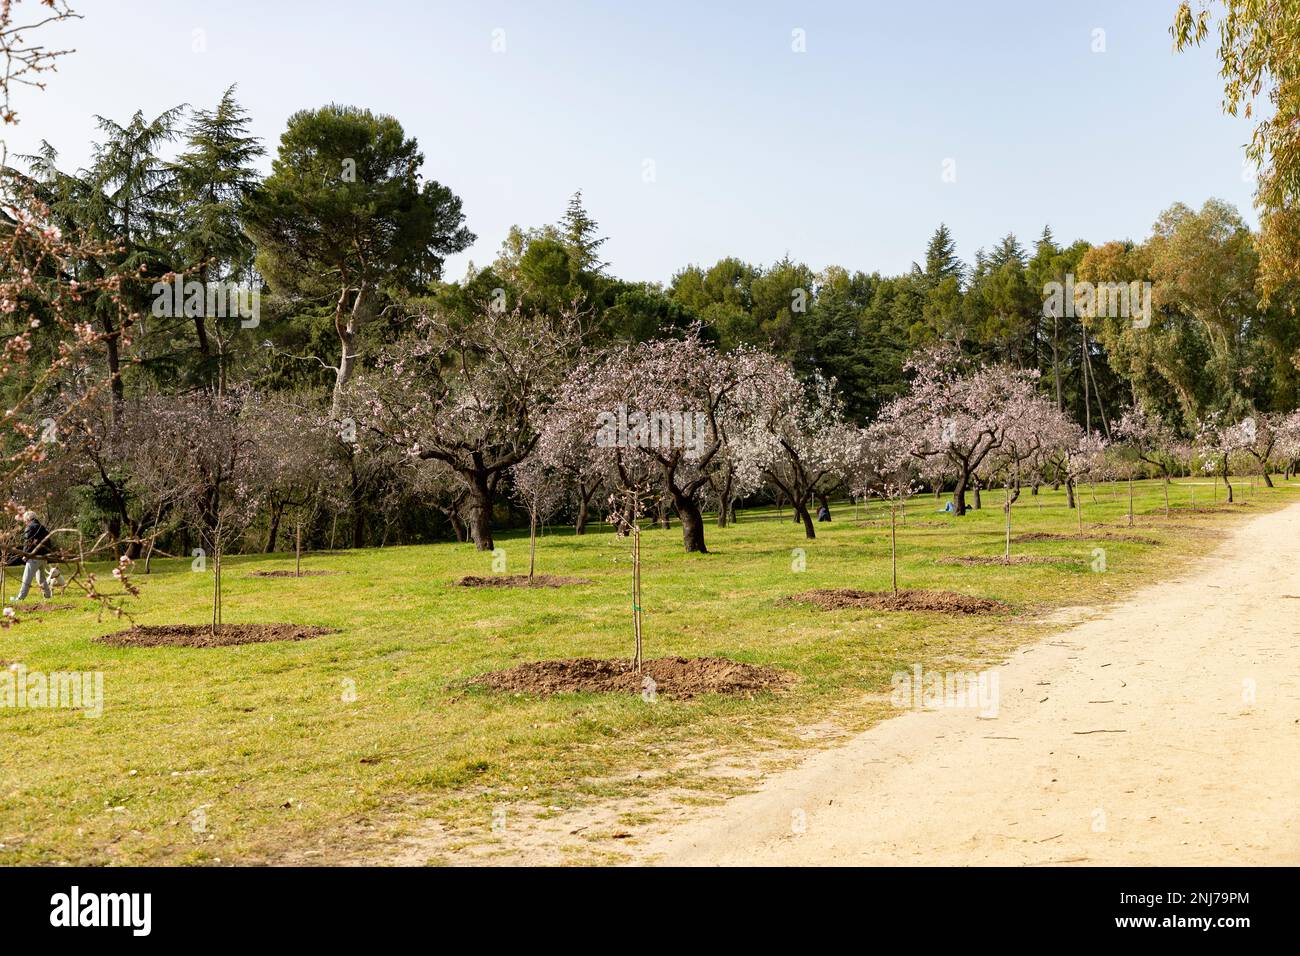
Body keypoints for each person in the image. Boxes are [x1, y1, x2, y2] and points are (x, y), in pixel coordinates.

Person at [12, 510, 54, 602]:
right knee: (41, 578)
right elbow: (48, 543)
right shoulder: (43, 528)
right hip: (43, 557)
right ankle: (48, 596)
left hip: (33, 557)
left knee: (26, 579)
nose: (25, 522)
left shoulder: (30, 527)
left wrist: (25, 554)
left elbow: (28, 543)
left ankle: (20, 598)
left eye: (25, 520)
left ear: (28, 519)